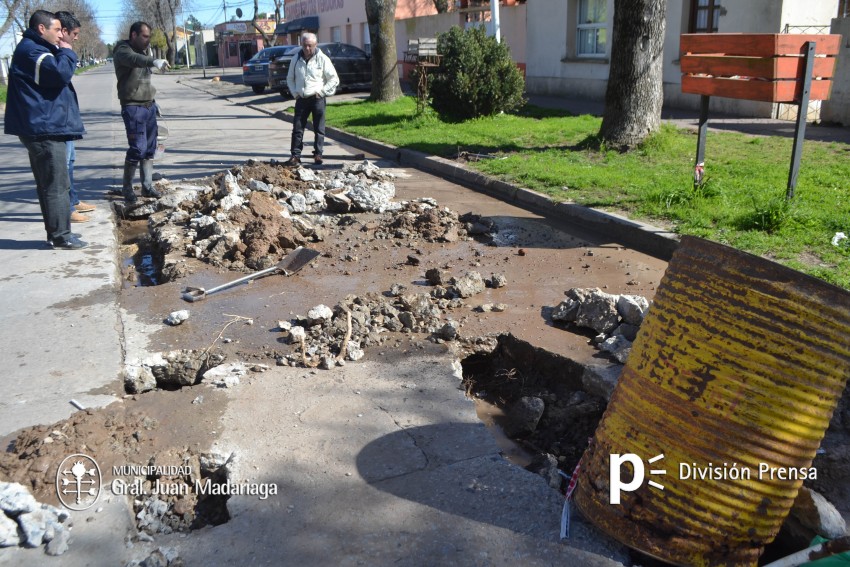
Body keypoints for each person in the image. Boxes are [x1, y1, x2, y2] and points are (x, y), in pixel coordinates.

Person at [3, 10, 87, 249]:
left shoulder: (35, 48)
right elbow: (59, 73)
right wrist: (67, 52)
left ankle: (58, 233)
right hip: (44, 129)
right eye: (57, 30)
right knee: (56, 185)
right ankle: (61, 236)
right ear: (42, 28)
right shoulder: (32, 50)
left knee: (50, 184)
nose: (61, 35)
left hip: (45, 126)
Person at [113, 21, 169, 204]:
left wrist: (154, 101)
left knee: (150, 149)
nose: (147, 40)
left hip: (148, 106)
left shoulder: (144, 52)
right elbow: (134, 60)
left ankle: (146, 186)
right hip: (133, 107)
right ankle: (127, 188)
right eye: (144, 36)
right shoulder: (123, 50)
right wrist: (153, 60)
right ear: (134, 35)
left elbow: (144, 80)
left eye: (149, 37)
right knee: (138, 149)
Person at [55, 10, 96, 223]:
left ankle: (73, 200)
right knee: (63, 166)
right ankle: (68, 209)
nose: (77, 37)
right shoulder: (55, 51)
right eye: (75, 33)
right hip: (58, 120)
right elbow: (63, 75)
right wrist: (67, 51)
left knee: (70, 161)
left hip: (66, 118)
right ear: (64, 31)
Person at [285, 32, 339, 166]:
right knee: (298, 128)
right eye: (304, 45)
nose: (307, 48)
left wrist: (322, 92)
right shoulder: (296, 59)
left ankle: (318, 154)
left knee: (319, 128)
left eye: (310, 45)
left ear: (315, 45)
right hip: (301, 99)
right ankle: (295, 156)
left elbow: (334, 79)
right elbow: (290, 78)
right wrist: (295, 93)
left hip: (317, 98)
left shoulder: (322, 59)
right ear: (301, 45)